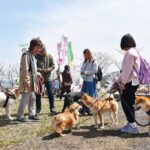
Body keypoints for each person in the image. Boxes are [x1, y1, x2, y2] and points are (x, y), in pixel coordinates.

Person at [113, 34, 140, 134]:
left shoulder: (129, 54)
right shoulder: (134, 52)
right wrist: (116, 81)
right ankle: (131, 124)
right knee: (130, 103)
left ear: (124, 43)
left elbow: (126, 71)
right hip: (134, 81)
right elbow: (125, 71)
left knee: (126, 103)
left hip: (129, 82)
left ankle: (132, 126)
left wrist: (123, 83)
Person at [17, 38, 43, 122]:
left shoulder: (32, 56)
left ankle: (31, 114)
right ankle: (20, 116)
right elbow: (25, 69)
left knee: (32, 98)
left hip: (32, 80)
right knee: (25, 98)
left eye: (40, 48)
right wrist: (27, 81)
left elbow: (33, 69)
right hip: (27, 80)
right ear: (33, 46)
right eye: (38, 47)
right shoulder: (26, 55)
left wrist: (38, 74)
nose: (39, 50)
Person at [35, 46, 57, 115]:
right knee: (38, 94)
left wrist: (49, 69)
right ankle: (38, 109)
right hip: (39, 77)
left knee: (50, 93)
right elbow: (34, 67)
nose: (41, 53)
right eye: (40, 52)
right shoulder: (35, 56)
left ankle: (52, 108)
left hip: (48, 78)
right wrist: (41, 70)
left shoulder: (49, 56)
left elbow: (53, 65)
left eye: (43, 52)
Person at [80, 49, 98, 115]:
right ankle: (84, 109)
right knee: (83, 95)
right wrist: (82, 72)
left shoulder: (94, 61)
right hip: (85, 80)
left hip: (91, 80)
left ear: (89, 54)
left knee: (91, 95)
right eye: (84, 55)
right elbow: (82, 69)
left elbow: (95, 70)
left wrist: (85, 72)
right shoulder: (84, 61)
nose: (85, 56)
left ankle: (92, 109)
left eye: (86, 55)